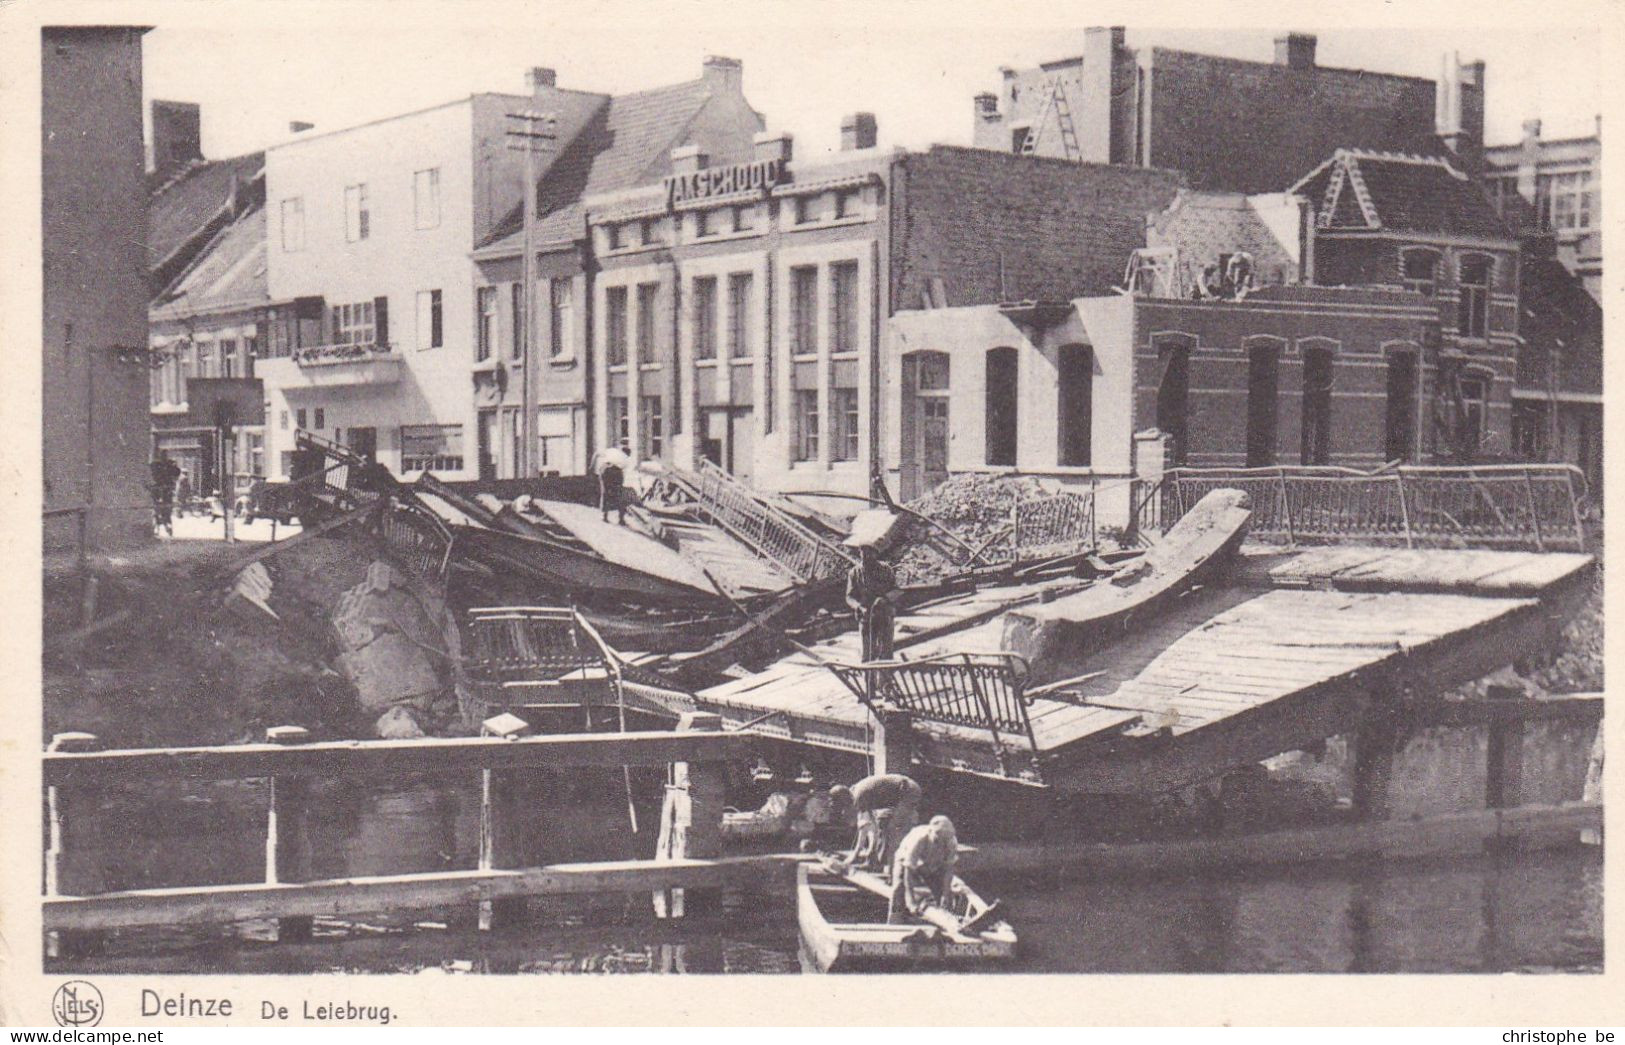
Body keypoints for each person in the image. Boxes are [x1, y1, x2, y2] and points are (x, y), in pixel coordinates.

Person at [836, 772, 921, 872]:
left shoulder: (859, 797)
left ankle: (892, 868)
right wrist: (867, 851)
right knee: (883, 821)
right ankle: (877, 862)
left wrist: (855, 855)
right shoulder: (855, 793)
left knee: (892, 829)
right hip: (900, 794)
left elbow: (867, 830)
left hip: (908, 791)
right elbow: (872, 827)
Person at [888, 815, 960, 923]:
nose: (941, 842)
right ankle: (895, 920)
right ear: (932, 832)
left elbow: (949, 869)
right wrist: (911, 901)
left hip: (931, 860)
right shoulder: (919, 838)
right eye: (938, 839)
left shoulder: (951, 842)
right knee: (898, 886)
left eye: (944, 840)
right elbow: (908, 870)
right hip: (905, 857)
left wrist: (945, 893)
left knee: (941, 889)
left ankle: (942, 919)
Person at [845, 543, 897, 661]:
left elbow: (896, 590)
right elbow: (849, 597)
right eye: (863, 554)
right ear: (860, 554)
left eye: (870, 554)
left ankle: (886, 679)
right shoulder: (855, 573)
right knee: (867, 654)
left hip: (885, 616)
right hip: (866, 618)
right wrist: (858, 606)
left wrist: (885, 599)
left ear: (876, 554)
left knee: (886, 653)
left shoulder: (886, 569)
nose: (866, 557)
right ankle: (869, 679)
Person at [594, 443, 632, 525]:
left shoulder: (611, 451)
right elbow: (623, 472)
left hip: (605, 469)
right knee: (619, 494)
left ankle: (604, 516)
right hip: (615, 472)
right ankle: (621, 519)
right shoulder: (625, 458)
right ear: (627, 453)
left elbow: (596, 454)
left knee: (605, 493)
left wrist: (591, 466)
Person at [150, 454, 181, 536]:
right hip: (162, 489)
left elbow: (177, 473)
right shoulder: (161, 465)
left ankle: (163, 525)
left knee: (162, 508)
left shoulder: (157, 465)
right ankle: (162, 525)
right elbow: (177, 473)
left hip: (162, 489)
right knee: (161, 508)